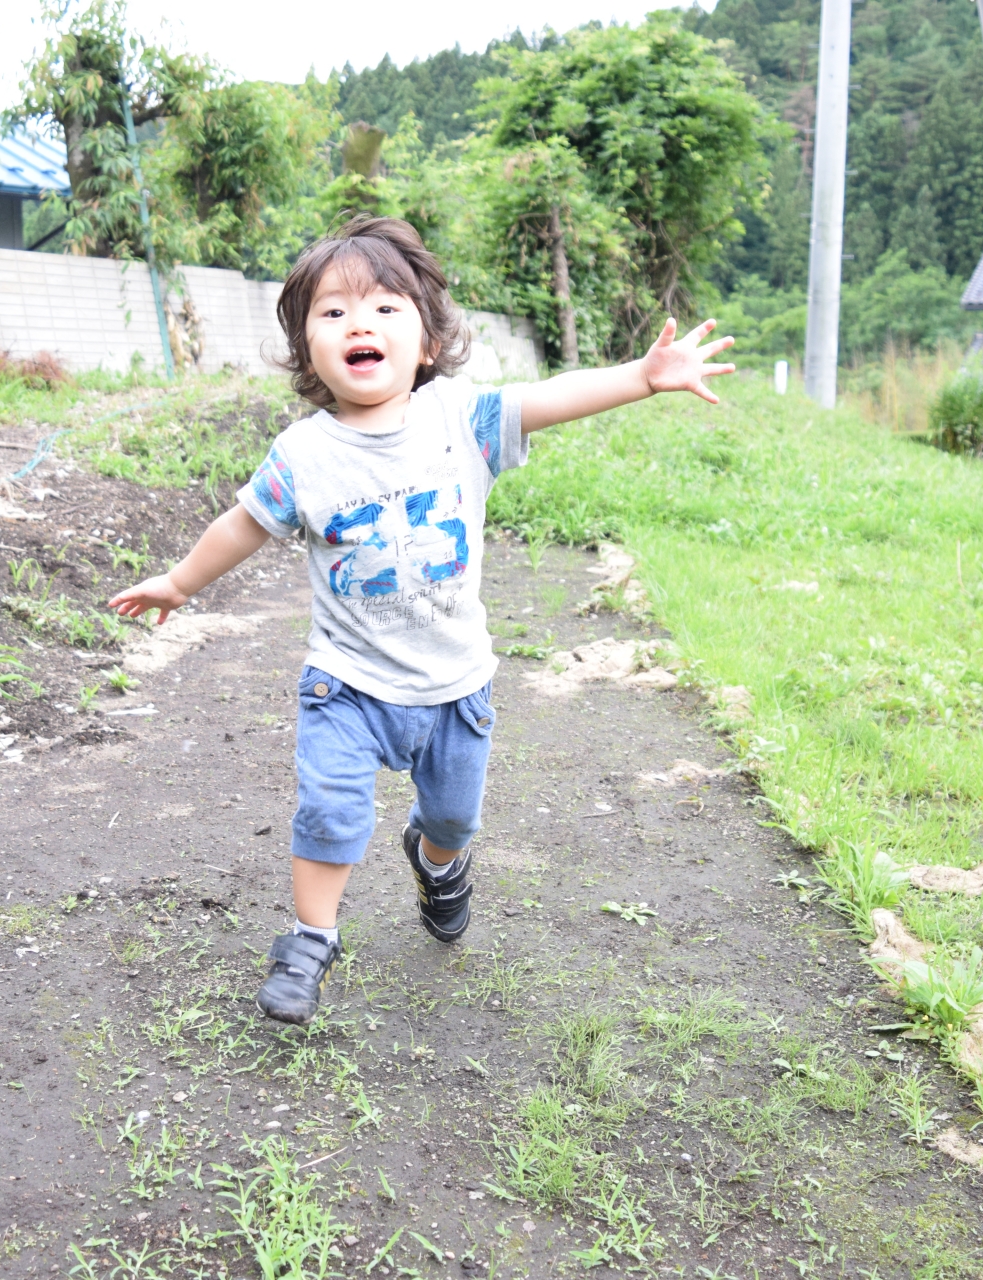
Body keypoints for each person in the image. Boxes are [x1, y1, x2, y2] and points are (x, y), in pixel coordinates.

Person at [108, 216, 733, 1024]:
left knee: (451, 820)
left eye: (384, 309)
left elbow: (550, 398)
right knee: (330, 809)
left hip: (453, 686)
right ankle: (309, 939)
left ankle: (438, 866)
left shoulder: (460, 422)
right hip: (348, 681)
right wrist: (178, 582)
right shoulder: (302, 454)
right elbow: (243, 524)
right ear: (307, 349)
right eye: (332, 313)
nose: (358, 324)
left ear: (428, 343)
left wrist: (642, 377)